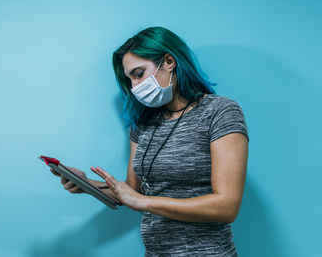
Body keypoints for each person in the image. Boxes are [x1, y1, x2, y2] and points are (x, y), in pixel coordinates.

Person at [50, 26, 249, 256]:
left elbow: (227, 206)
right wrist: (87, 184)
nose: (135, 87)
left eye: (139, 73)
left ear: (169, 61)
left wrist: (145, 202)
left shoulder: (220, 112)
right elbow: (131, 192)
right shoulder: (144, 124)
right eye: (130, 79)